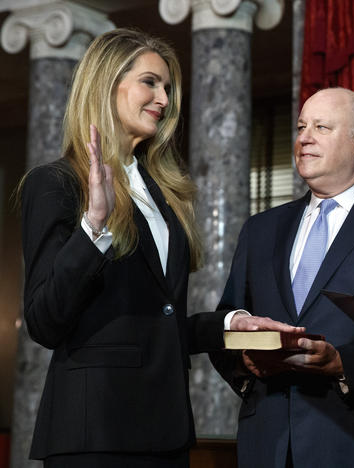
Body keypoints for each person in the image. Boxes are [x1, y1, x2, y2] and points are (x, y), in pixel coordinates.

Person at [19, 28, 298, 467]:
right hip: (96, 434)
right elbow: (44, 322)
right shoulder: (55, 184)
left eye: (167, 87)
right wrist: (94, 225)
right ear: (108, 83)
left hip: (165, 431)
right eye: (151, 82)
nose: (164, 99)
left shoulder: (163, 194)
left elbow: (154, 323)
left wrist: (230, 323)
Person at [210, 87, 354, 467]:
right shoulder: (261, 229)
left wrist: (344, 364)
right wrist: (245, 359)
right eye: (300, 127)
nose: (303, 138)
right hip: (267, 446)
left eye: (321, 127)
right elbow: (229, 319)